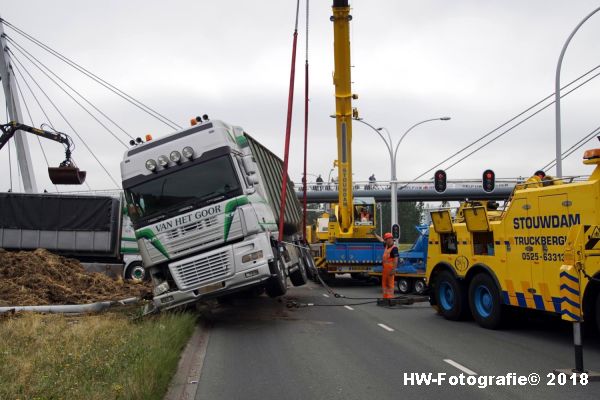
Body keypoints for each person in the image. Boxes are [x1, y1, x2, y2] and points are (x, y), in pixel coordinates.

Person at [374, 232, 398, 301]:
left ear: (390, 239)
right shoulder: (387, 246)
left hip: (390, 269)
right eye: (385, 239)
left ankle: (390, 298)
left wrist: (394, 269)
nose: (385, 241)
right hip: (385, 270)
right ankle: (385, 298)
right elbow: (381, 240)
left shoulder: (394, 248)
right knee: (384, 285)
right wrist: (375, 235)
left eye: (386, 239)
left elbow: (396, 259)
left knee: (390, 285)